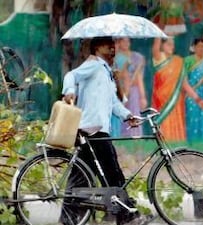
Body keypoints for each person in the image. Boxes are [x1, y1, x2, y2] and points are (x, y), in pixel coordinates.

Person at [61, 36, 151, 225]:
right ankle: (127, 216)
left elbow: (113, 103)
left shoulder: (106, 71)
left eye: (113, 45)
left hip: (96, 131)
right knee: (113, 174)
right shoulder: (93, 65)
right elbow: (71, 75)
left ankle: (68, 217)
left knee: (82, 177)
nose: (112, 48)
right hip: (93, 130)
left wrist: (128, 115)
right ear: (96, 48)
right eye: (107, 45)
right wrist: (69, 90)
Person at [151, 37, 187, 142]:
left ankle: (176, 141)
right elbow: (155, 48)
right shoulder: (159, 58)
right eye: (169, 44)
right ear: (162, 45)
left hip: (175, 98)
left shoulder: (178, 61)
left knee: (175, 119)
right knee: (163, 120)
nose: (172, 47)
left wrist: (198, 99)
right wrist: (159, 29)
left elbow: (185, 84)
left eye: (173, 44)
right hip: (161, 99)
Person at [113, 37, 147, 137]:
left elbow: (139, 78)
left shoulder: (137, 57)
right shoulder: (116, 58)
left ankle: (135, 137)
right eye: (123, 41)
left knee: (134, 113)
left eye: (127, 41)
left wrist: (142, 96)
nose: (126, 43)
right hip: (119, 90)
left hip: (133, 90)